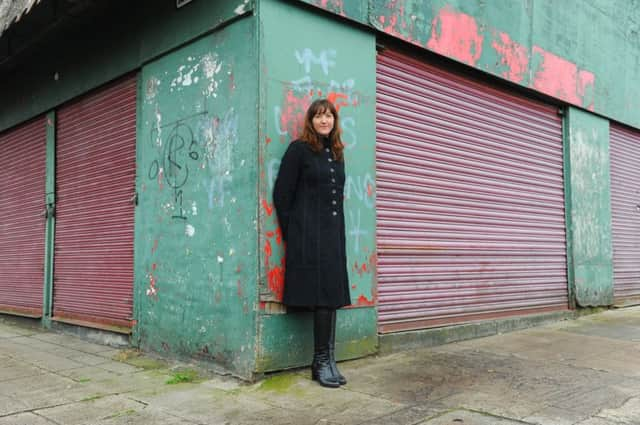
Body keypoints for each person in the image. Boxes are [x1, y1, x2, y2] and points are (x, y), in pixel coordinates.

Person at [273, 98, 351, 388]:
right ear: (311, 120)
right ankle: (319, 362)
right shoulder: (299, 150)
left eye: (329, 116)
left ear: (334, 121)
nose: (324, 121)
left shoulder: (337, 153)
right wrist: (293, 234)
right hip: (308, 236)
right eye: (319, 116)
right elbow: (282, 194)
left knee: (331, 296)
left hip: (332, 236)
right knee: (321, 296)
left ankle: (329, 359)